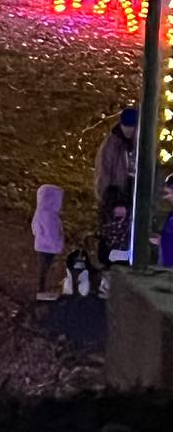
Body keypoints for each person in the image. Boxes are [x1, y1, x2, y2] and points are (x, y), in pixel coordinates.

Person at [92, 106, 138, 297]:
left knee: (125, 238)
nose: (129, 131)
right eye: (126, 127)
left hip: (129, 195)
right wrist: (109, 199)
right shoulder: (112, 145)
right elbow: (104, 173)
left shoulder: (136, 144)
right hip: (115, 198)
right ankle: (108, 277)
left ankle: (121, 278)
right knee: (111, 237)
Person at [31, 183, 64, 301]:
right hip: (49, 247)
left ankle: (42, 289)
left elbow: (34, 227)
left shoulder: (40, 211)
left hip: (42, 245)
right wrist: (58, 246)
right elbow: (52, 233)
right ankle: (42, 291)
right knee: (46, 268)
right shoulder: (50, 215)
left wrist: (39, 237)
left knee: (43, 268)